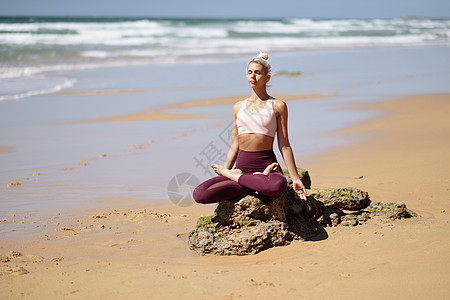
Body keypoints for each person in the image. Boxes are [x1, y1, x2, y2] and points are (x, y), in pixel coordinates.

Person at [193, 52, 307, 204]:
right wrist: (224, 174)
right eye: (250, 72)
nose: (253, 76)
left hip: (268, 167)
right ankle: (254, 180)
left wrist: (296, 179)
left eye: (258, 73)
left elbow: (284, 145)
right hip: (241, 168)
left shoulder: (278, 106)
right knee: (200, 194)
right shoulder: (238, 107)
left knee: (279, 186)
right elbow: (235, 145)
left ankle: (248, 179)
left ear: (267, 77)